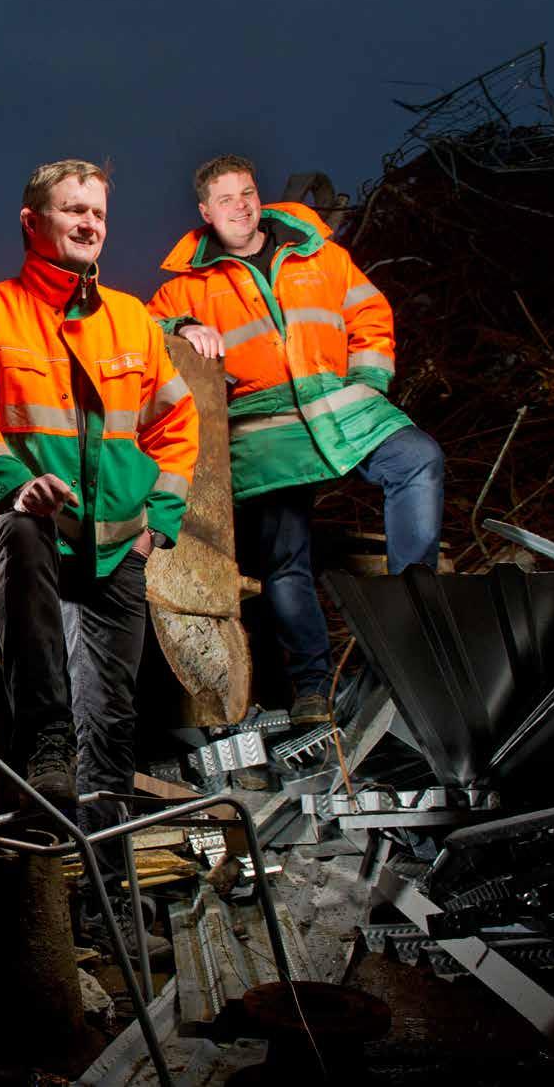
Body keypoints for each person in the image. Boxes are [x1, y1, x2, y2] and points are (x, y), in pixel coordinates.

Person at [0, 159, 199, 959]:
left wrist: (157, 519)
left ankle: (108, 899)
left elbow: (174, 425)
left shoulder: (131, 322)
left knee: (111, 719)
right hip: (19, 529)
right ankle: (44, 744)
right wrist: (14, 484)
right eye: (72, 210)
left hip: (114, 539)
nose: (89, 224)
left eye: (98, 213)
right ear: (32, 221)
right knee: (18, 534)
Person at [148, 154, 444, 724]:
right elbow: (142, 327)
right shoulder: (186, 288)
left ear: (259, 197)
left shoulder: (321, 255)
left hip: (338, 397)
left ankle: (415, 606)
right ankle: (313, 688)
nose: (240, 206)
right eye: (226, 199)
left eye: (247, 193)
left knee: (417, 458)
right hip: (263, 424)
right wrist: (182, 327)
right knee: (284, 558)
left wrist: (369, 382)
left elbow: (370, 315)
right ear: (206, 213)